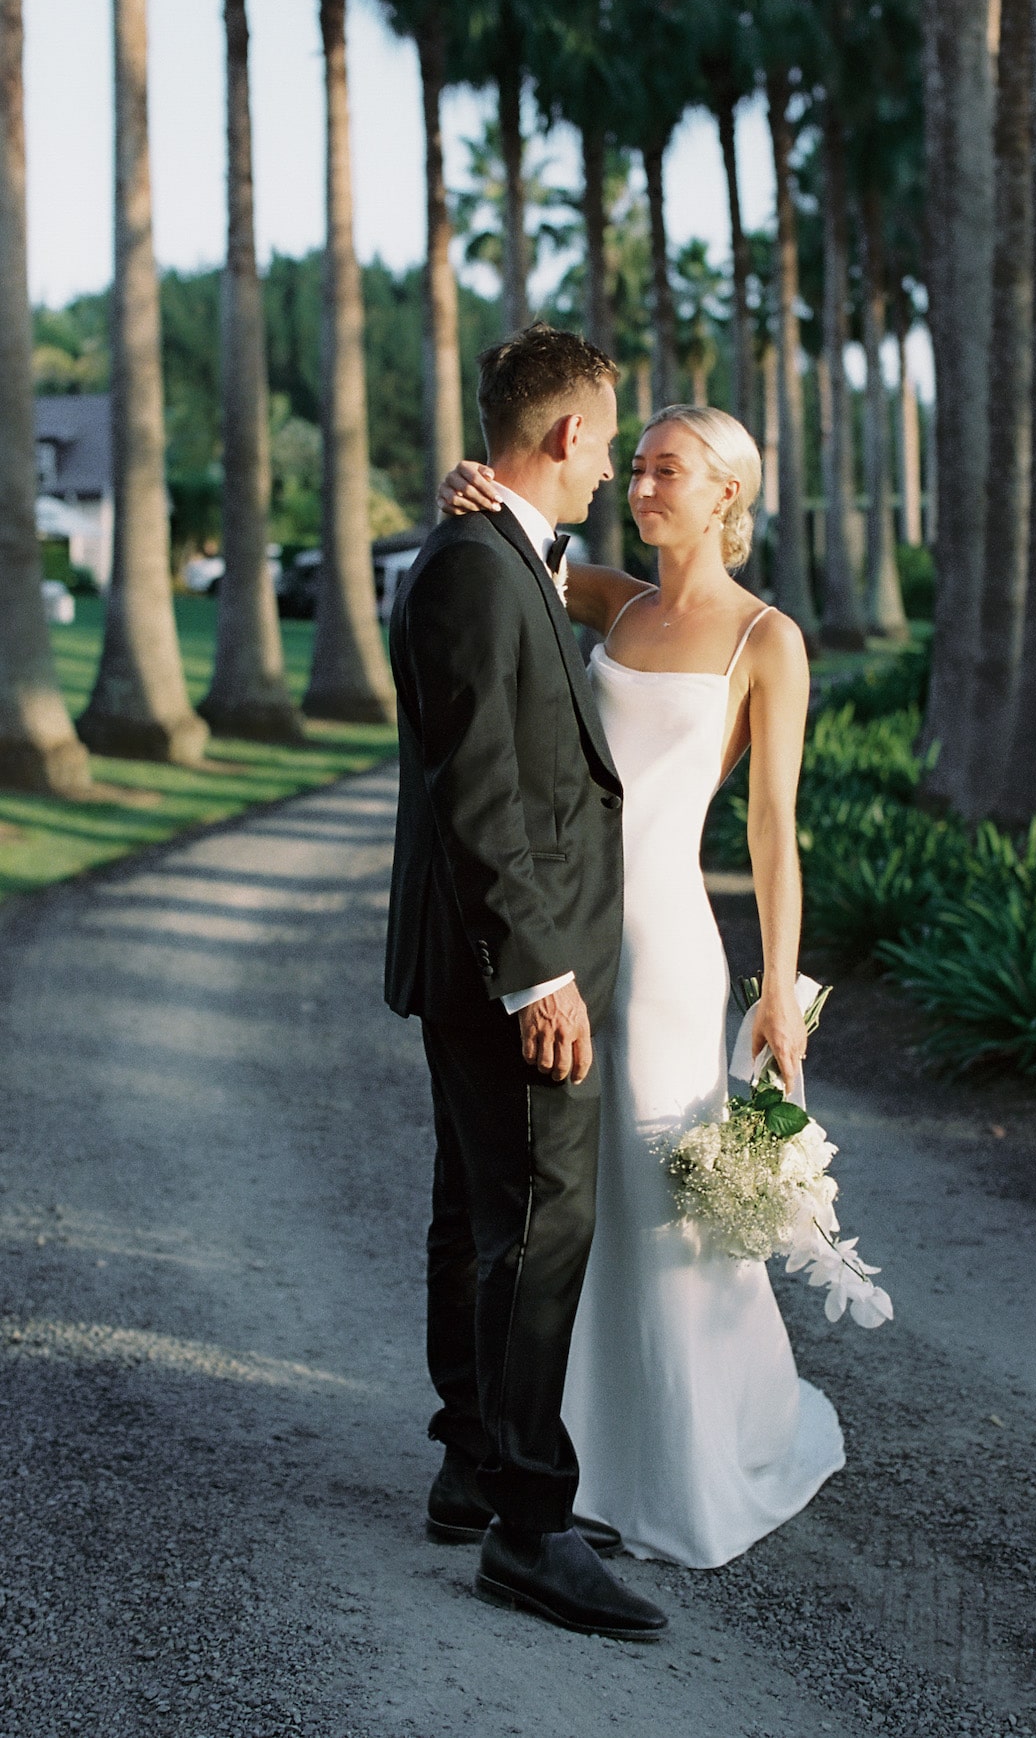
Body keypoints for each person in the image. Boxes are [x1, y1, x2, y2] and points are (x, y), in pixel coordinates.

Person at [436, 402, 845, 1569]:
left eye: (669, 470)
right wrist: (478, 482)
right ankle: (578, 1456)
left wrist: (776, 986)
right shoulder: (613, 598)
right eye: (643, 465)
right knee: (580, 1194)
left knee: (664, 1198)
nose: (645, 484)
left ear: (726, 493)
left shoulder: (767, 638)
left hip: (668, 948)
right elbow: (516, 547)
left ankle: (696, 1453)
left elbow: (773, 829)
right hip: (571, 936)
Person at [386, 324, 667, 1639]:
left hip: (485, 960)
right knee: (537, 1223)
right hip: (512, 965)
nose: (610, 465)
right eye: (607, 441)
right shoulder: (472, 572)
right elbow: (484, 792)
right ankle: (529, 1525)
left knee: (480, 1211)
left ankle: (472, 1467)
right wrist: (538, 975)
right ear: (563, 437)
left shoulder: (493, 554)